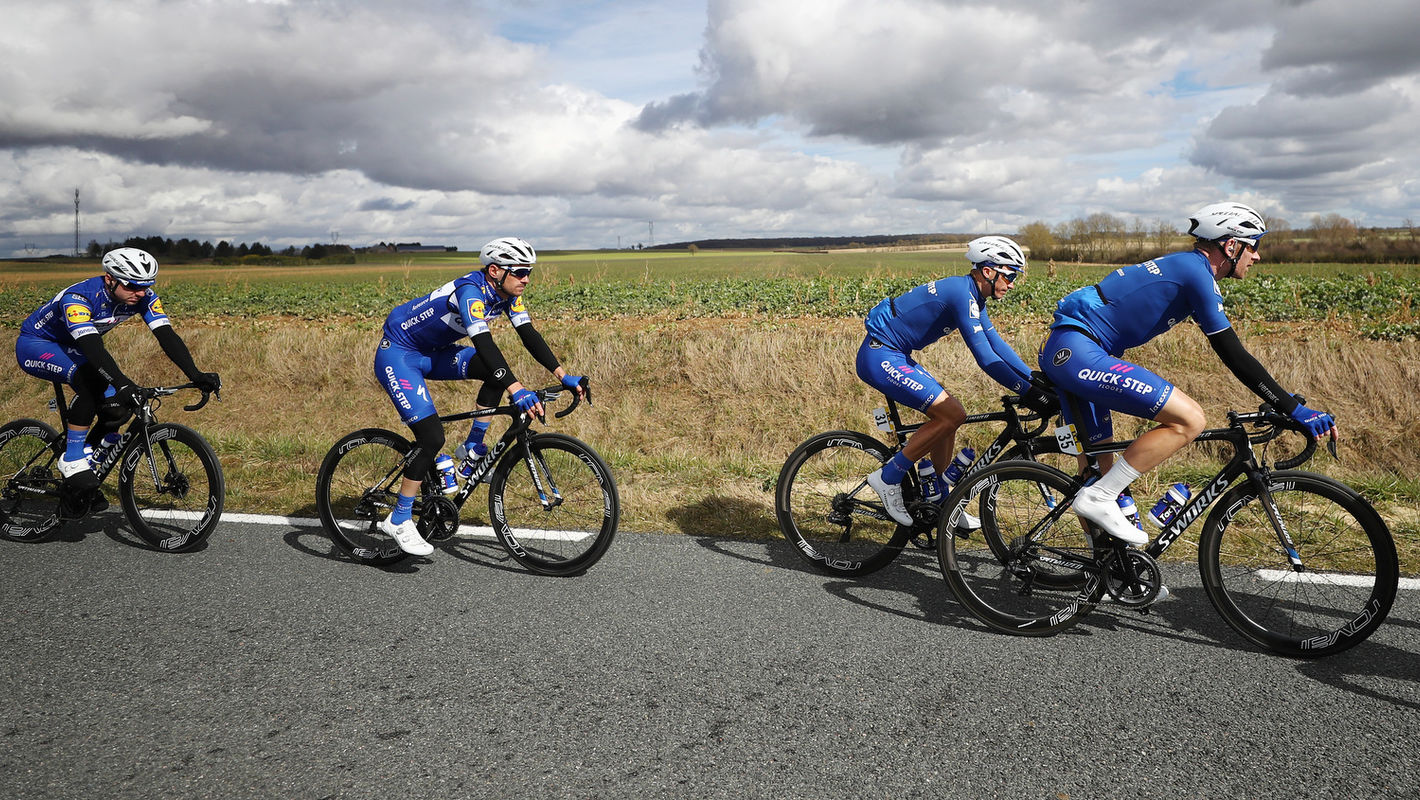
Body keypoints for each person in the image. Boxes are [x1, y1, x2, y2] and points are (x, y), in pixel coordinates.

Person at [1038, 202, 1337, 546]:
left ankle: (1108, 571)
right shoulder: (1197, 274)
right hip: (1078, 352)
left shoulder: (1186, 268)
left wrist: (1285, 402)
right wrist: (1294, 409)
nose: (1257, 257)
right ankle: (1099, 497)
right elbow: (1233, 354)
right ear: (1231, 245)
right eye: (1253, 246)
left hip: (1074, 349)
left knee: (1098, 469)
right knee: (1190, 419)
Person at [373, 236, 586, 556]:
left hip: (433, 351)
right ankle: (400, 517)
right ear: (495, 271)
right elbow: (485, 345)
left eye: (530, 272)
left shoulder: (506, 295)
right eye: (520, 272)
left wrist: (562, 375)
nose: (527, 279)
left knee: (493, 372)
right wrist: (517, 390)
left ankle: (472, 450)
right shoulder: (471, 292)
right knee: (431, 436)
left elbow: (529, 336)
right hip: (400, 354)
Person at [858, 235, 1048, 526]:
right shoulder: (962, 293)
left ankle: (939, 498)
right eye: (1009, 276)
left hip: (895, 354)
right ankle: (887, 477)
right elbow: (985, 357)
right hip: (880, 355)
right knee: (952, 414)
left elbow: (996, 344)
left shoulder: (973, 296)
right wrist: (1028, 391)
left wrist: (1033, 379)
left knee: (950, 416)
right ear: (988, 271)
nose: (1011, 284)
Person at [15, 247, 222, 488]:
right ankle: (71, 459)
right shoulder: (79, 298)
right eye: (132, 286)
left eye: (145, 285)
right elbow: (92, 347)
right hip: (38, 344)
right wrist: (121, 382)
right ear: (109, 279)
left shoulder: (144, 297)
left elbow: (166, 335)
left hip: (76, 346)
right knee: (93, 381)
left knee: (118, 407)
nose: (140, 292)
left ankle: (87, 461)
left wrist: (195, 374)